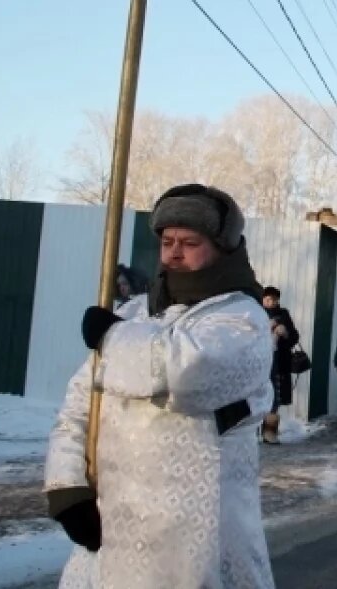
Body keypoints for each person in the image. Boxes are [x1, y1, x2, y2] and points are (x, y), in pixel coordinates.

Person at [45, 183, 274, 588]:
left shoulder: (242, 318)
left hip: (195, 539)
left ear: (222, 248)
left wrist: (113, 339)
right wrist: (68, 486)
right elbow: (81, 402)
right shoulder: (134, 313)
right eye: (167, 242)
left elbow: (186, 375)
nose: (174, 253)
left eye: (190, 243)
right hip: (113, 527)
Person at [263, 305, 301, 445]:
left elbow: (294, 338)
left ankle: (270, 433)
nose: (271, 302)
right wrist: (266, 328)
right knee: (256, 399)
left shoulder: (284, 314)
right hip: (258, 363)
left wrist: (285, 334)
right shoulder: (255, 314)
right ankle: (253, 434)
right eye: (268, 299)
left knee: (275, 397)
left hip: (279, 364)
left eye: (274, 299)